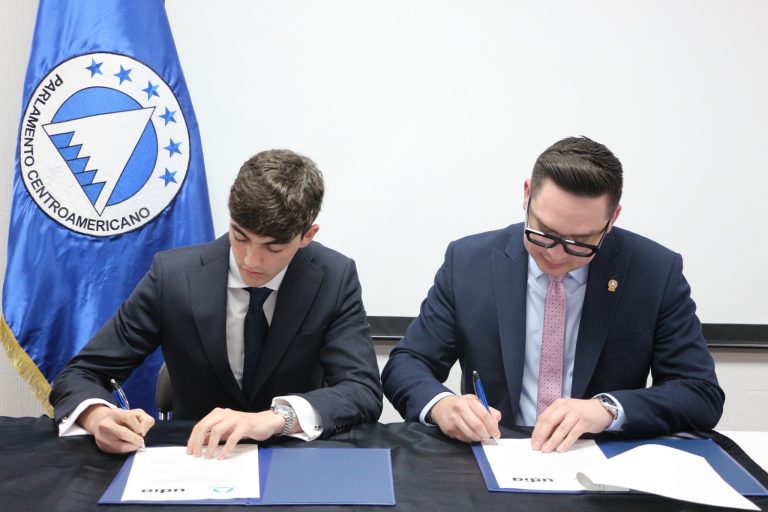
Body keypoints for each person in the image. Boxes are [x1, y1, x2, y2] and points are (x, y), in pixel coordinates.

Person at [382, 136, 724, 453]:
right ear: (527, 195)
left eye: (580, 242)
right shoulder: (470, 262)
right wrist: (442, 406)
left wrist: (607, 410)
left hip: (599, 457)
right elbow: (408, 363)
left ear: (612, 219)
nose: (556, 254)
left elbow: (699, 392)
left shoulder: (654, 272)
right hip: (496, 452)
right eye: (544, 233)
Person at [50, 149, 383, 458]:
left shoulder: (334, 278)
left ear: (307, 236)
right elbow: (82, 373)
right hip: (196, 458)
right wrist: (98, 417)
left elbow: (362, 390)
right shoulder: (173, 277)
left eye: (273, 248)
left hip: (293, 459)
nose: (250, 260)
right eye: (240, 237)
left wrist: (275, 418)